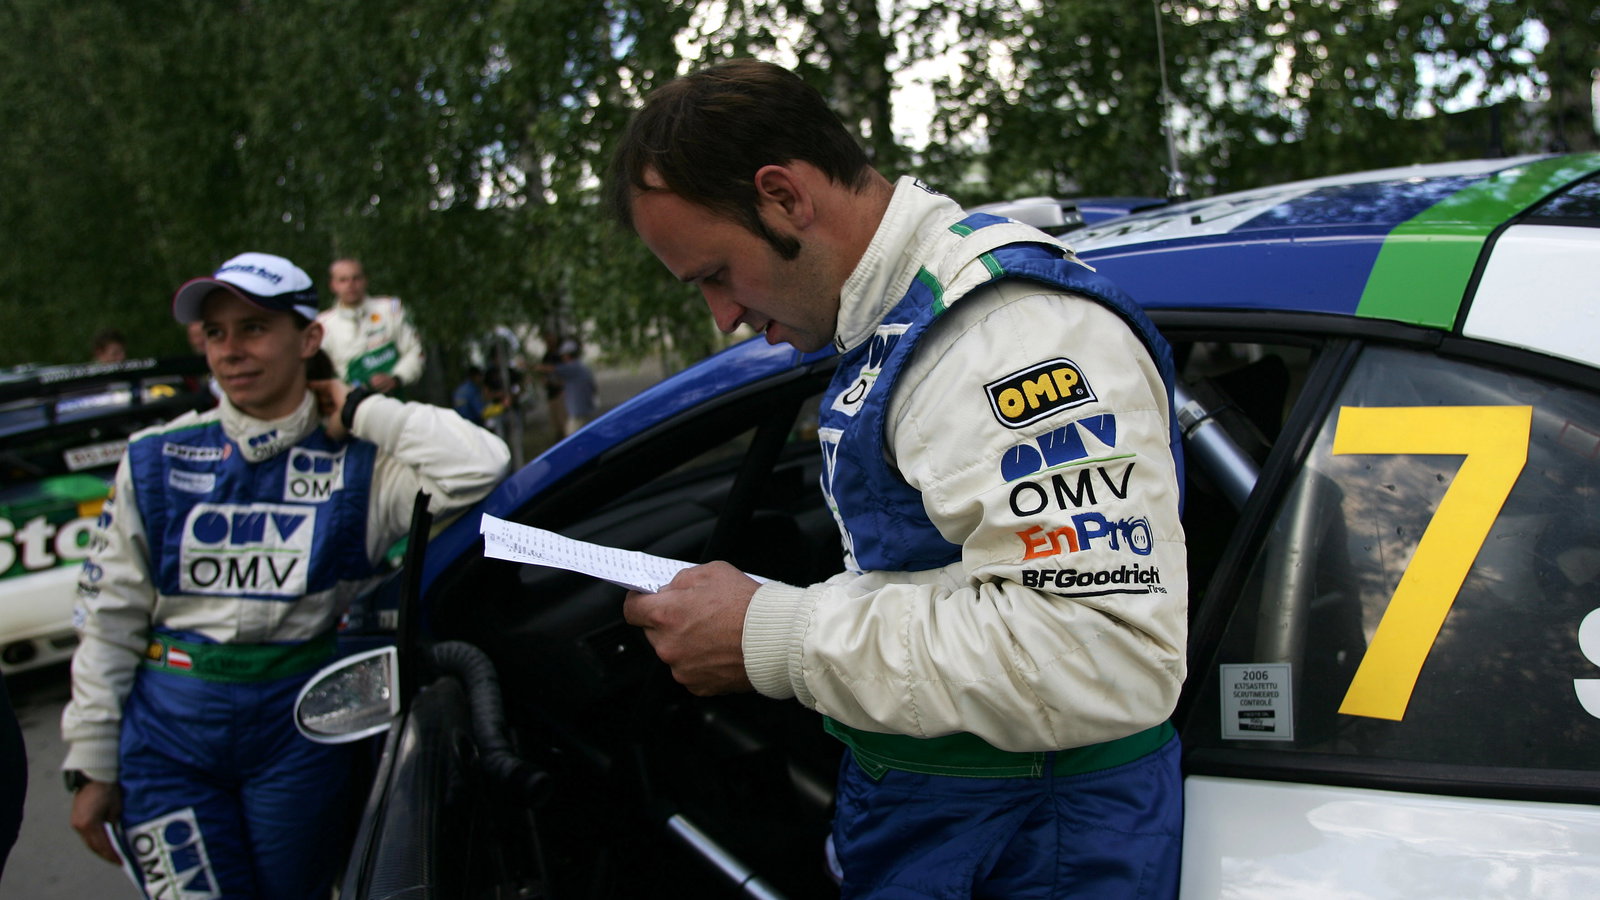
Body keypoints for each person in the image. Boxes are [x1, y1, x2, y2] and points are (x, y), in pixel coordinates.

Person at [608, 60, 1188, 898]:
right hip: (962, 822)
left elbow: (1103, 647)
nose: (722, 315)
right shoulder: (899, 318)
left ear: (783, 197)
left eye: (714, 275)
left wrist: (780, 633)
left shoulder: (1010, 337)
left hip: (1040, 846)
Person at [60, 251, 510, 898]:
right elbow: (109, 618)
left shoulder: (361, 463)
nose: (231, 350)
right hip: (169, 734)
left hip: (299, 728)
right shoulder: (155, 457)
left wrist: (359, 407)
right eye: (216, 333)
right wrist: (93, 762)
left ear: (309, 338)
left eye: (253, 328)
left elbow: (481, 465)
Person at [316, 257, 426, 394]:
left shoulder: (390, 309)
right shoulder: (322, 325)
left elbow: (415, 351)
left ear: (365, 280)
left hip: (398, 399)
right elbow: (321, 374)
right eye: (343, 280)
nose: (350, 284)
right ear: (333, 285)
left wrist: (396, 378)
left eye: (356, 278)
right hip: (351, 405)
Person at [550, 340, 597, 435]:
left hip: (578, 414)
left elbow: (552, 368)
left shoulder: (573, 367)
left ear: (568, 355)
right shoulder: (582, 368)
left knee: (572, 439)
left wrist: (529, 366)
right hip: (585, 410)